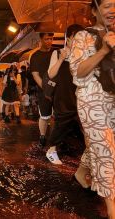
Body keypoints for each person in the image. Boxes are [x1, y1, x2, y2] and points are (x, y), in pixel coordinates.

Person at [69, 0, 115, 217]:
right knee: (107, 151)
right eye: (107, 5)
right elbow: (78, 72)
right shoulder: (82, 36)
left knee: (101, 143)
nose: (113, 10)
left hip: (113, 98)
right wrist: (104, 50)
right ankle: (112, 208)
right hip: (91, 100)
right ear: (95, 10)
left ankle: (81, 172)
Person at [45, 24, 85, 165]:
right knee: (61, 122)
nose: (80, 41)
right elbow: (51, 74)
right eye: (76, 37)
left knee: (83, 123)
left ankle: (89, 155)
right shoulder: (57, 53)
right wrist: (62, 59)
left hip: (79, 93)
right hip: (62, 94)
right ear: (68, 38)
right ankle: (51, 150)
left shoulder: (83, 54)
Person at [30, 32, 54, 146]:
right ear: (41, 39)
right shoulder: (35, 56)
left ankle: (55, 139)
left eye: (51, 38)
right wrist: (46, 89)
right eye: (46, 39)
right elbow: (35, 75)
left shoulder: (56, 53)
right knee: (44, 115)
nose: (49, 41)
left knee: (57, 115)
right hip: (43, 90)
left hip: (57, 89)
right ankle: (43, 136)